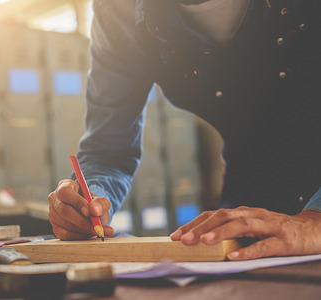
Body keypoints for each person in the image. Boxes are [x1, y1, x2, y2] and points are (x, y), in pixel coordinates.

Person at [48, 0, 321, 260]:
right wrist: (88, 201)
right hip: (247, 216)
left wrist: (315, 220)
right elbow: (107, 151)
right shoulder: (119, 13)